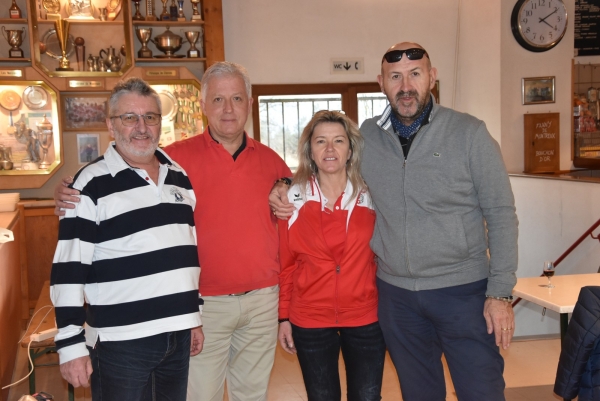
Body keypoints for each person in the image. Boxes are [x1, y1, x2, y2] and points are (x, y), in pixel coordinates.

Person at [270, 42, 518, 401]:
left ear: (431, 78)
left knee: (481, 390)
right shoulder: (366, 138)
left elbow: (501, 213)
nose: (406, 86)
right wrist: (282, 185)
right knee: (418, 393)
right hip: (397, 298)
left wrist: (499, 292)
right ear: (381, 83)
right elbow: (326, 164)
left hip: (462, 291)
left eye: (415, 74)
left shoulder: (469, 134)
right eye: (395, 77)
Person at [54, 62, 292, 401]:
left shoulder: (271, 162)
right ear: (202, 105)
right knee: (199, 396)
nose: (228, 109)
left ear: (249, 104)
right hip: (203, 303)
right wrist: (68, 190)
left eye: (237, 99)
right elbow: (107, 187)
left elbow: (300, 202)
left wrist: (286, 185)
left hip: (259, 300)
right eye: (219, 99)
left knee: (252, 394)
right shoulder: (173, 159)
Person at [50, 77, 204, 400]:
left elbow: (186, 253)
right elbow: (68, 269)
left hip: (176, 336)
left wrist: (193, 317)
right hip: (121, 343)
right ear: (111, 124)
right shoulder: (88, 184)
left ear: (160, 123)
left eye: (150, 117)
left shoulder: (178, 175)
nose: (141, 126)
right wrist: (69, 343)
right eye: (129, 117)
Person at [277, 110, 385, 401]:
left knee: (367, 396)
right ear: (309, 150)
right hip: (310, 318)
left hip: (365, 316)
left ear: (350, 149)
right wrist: (283, 317)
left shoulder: (372, 194)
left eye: (338, 140)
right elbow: (286, 264)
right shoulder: (291, 199)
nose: (329, 149)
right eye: (320, 141)